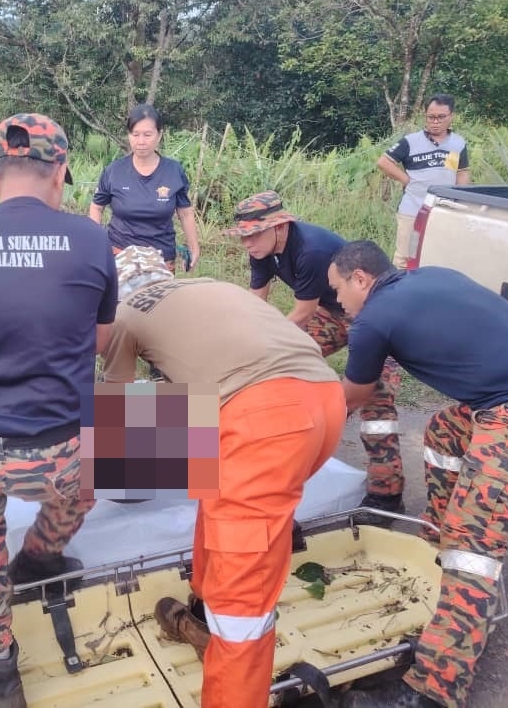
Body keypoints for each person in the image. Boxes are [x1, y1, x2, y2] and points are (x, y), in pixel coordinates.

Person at [327, 240, 508, 708]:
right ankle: (439, 530)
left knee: (473, 550)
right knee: (443, 432)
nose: (337, 302)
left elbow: (350, 397)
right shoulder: (432, 276)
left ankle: (433, 690)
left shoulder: (372, 318)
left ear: (361, 279)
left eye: (339, 289)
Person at [0, 113, 117, 707]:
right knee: (124, 442)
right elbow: (103, 341)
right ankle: (39, 558)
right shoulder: (92, 239)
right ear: (59, 172)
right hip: (58, 448)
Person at [100, 245, 345, 708]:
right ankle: (201, 615)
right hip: (324, 400)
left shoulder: (124, 316)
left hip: (267, 421)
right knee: (214, 491)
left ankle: (231, 677)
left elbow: (119, 427)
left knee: (242, 602)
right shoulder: (214, 287)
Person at [224, 191, 405, 519]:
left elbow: (302, 313)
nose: (247, 244)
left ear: (280, 226)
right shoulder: (261, 250)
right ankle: (265, 445)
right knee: (272, 366)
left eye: (253, 234)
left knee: (375, 400)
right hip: (333, 311)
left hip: (376, 319)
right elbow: (255, 304)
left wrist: (266, 343)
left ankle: (387, 496)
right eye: (243, 237)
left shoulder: (311, 249)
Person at [88, 103, 201, 272]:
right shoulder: (114, 171)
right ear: (129, 135)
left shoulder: (174, 171)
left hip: (162, 258)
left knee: (162, 299)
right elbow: (97, 207)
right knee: (120, 299)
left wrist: (194, 246)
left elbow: (185, 213)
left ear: (159, 135)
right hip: (119, 255)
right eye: (136, 134)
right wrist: (97, 242)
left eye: (148, 135)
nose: (141, 141)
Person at [376, 93, 470, 269]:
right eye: (431, 117)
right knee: (405, 259)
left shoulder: (458, 143)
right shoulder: (410, 142)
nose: (435, 122)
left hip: (445, 211)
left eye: (441, 117)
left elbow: (462, 172)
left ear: (451, 116)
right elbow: (383, 162)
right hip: (413, 210)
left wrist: (463, 198)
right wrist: (406, 180)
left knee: (438, 257)